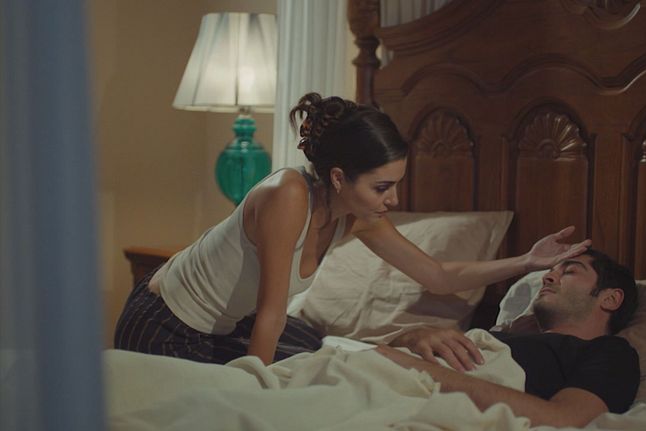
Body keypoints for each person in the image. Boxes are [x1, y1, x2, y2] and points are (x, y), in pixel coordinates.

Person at [114, 92, 591, 366]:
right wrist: (257, 395)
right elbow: (271, 315)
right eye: (382, 187)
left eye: (396, 185)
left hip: (224, 327)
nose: (394, 200)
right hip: (165, 321)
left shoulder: (356, 216)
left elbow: (439, 275)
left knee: (325, 365)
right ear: (340, 178)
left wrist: (527, 261)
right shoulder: (288, 195)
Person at [376, 248, 639, 428]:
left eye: (569, 271)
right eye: (552, 270)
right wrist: (413, 336)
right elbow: (392, 353)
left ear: (610, 298)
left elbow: (565, 420)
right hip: (382, 375)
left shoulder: (611, 352)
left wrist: (420, 369)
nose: (548, 276)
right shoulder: (501, 336)